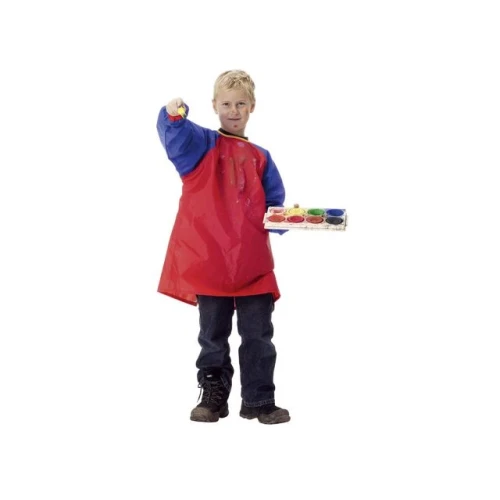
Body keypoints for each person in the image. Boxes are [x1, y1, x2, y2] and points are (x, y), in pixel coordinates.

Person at [156, 70, 290, 424]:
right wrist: (172, 114)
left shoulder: (261, 156)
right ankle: (213, 398)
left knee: (259, 337)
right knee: (212, 337)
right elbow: (176, 138)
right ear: (214, 105)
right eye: (227, 104)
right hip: (209, 261)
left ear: (252, 107)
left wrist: (288, 219)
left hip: (252, 264)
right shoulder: (201, 146)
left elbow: (274, 205)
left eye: (241, 104)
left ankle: (259, 400)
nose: (234, 111)